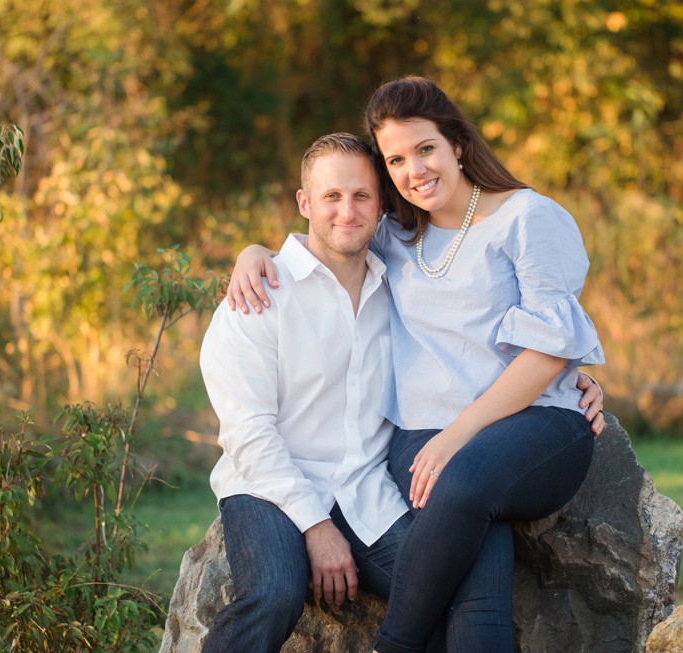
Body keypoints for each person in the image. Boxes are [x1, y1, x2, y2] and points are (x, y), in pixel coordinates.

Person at [227, 76, 605, 653]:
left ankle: (394, 644)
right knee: (480, 581)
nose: (413, 170)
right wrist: (252, 254)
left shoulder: (529, 218)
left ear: (456, 143)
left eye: (425, 149)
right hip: (421, 438)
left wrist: (466, 431)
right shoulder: (395, 231)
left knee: (466, 481)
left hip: (528, 426)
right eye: (395, 159)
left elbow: (550, 347)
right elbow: (326, 238)